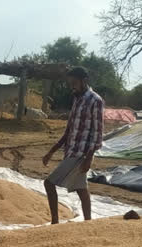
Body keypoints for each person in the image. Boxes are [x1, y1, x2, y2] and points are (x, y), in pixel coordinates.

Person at [42, 66, 105, 223]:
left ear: (84, 81)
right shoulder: (77, 98)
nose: (72, 86)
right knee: (81, 189)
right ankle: (88, 223)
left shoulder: (95, 101)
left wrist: (89, 158)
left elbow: (98, 133)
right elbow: (69, 129)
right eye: (70, 83)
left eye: (74, 83)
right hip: (71, 150)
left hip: (81, 153)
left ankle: (55, 221)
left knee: (49, 183)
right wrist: (52, 151)